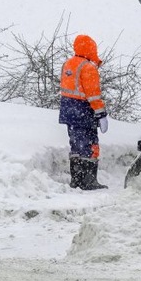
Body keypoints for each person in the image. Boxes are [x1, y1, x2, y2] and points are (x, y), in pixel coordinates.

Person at [58, 34, 109, 190]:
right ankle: (89, 181)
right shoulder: (88, 67)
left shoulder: (68, 64)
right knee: (90, 145)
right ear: (90, 48)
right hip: (84, 111)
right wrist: (101, 114)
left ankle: (76, 179)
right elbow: (93, 95)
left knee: (76, 145)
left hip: (68, 110)